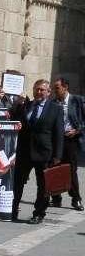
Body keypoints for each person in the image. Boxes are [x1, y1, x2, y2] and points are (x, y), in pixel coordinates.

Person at [12, 80, 64, 224]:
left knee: (43, 186)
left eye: (42, 90)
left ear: (48, 92)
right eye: (36, 89)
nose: (39, 92)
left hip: (44, 153)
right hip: (24, 152)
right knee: (18, 183)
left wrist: (57, 156)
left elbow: (59, 133)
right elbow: (15, 121)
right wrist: (18, 105)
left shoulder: (55, 109)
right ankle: (13, 209)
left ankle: (39, 213)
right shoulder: (27, 105)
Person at [50, 77, 84, 210]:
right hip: (56, 140)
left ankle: (76, 199)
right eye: (54, 88)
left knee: (71, 170)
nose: (54, 91)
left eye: (57, 88)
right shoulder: (52, 103)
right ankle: (56, 198)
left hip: (71, 140)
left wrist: (77, 130)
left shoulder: (77, 101)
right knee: (54, 168)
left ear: (65, 87)